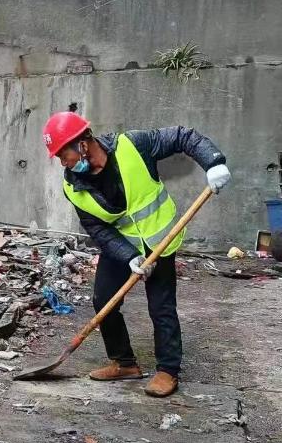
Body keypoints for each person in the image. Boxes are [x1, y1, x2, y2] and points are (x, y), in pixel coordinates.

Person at [42, 112, 231, 397]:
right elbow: (97, 227)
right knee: (103, 300)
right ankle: (124, 363)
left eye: (62, 154)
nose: (62, 162)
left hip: (159, 239)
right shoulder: (73, 185)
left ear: (82, 143)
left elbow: (183, 136)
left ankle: (168, 370)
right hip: (122, 246)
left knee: (161, 306)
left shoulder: (133, 145)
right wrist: (128, 256)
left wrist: (213, 162)